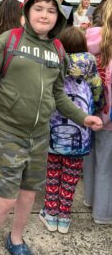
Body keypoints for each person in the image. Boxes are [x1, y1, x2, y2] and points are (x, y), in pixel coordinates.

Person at [0, 0, 103, 255]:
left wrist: (83, 117)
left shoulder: (57, 50)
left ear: (59, 17)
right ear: (28, 11)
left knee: (29, 194)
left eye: (52, 10)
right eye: (39, 8)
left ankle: (16, 239)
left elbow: (59, 94)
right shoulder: (10, 40)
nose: (45, 15)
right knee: (6, 198)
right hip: (8, 132)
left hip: (41, 135)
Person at [39, 26, 103, 234]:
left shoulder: (53, 61)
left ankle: (50, 213)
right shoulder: (90, 64)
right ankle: (64, 217)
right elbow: (97, 90)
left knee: (52, 171)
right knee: (71, 174)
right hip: (81, 129)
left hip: (53, 128)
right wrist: (97, 106)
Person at [84, 0, 112, 225]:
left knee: (93, 158)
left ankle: (90, 200)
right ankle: (103, 214)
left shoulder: (90, 39)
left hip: (90, 110)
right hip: (109, 116)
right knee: (107, 165)